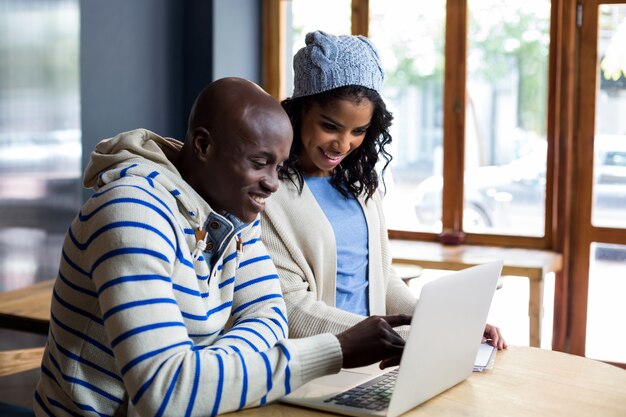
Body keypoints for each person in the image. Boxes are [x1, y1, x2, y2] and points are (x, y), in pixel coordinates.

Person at [34, 77, 411, 417]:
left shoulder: (232, 215)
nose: (273, 184)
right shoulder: (131, 212)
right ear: (203, 145)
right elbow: (166, 393)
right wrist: (336, 350)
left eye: (278, 167)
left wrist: (202, 374)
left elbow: (270, 317)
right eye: (260, 163)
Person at [260, 31, 506, 348]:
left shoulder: (360, 186)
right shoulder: (268, 195)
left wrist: (442, 321)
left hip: (378, 356)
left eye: (359, 130)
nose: (343, 144)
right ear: (299, 113)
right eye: (330, 126)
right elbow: (291, 308)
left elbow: (383, 280)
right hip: (318, 365)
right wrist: (396, 335)